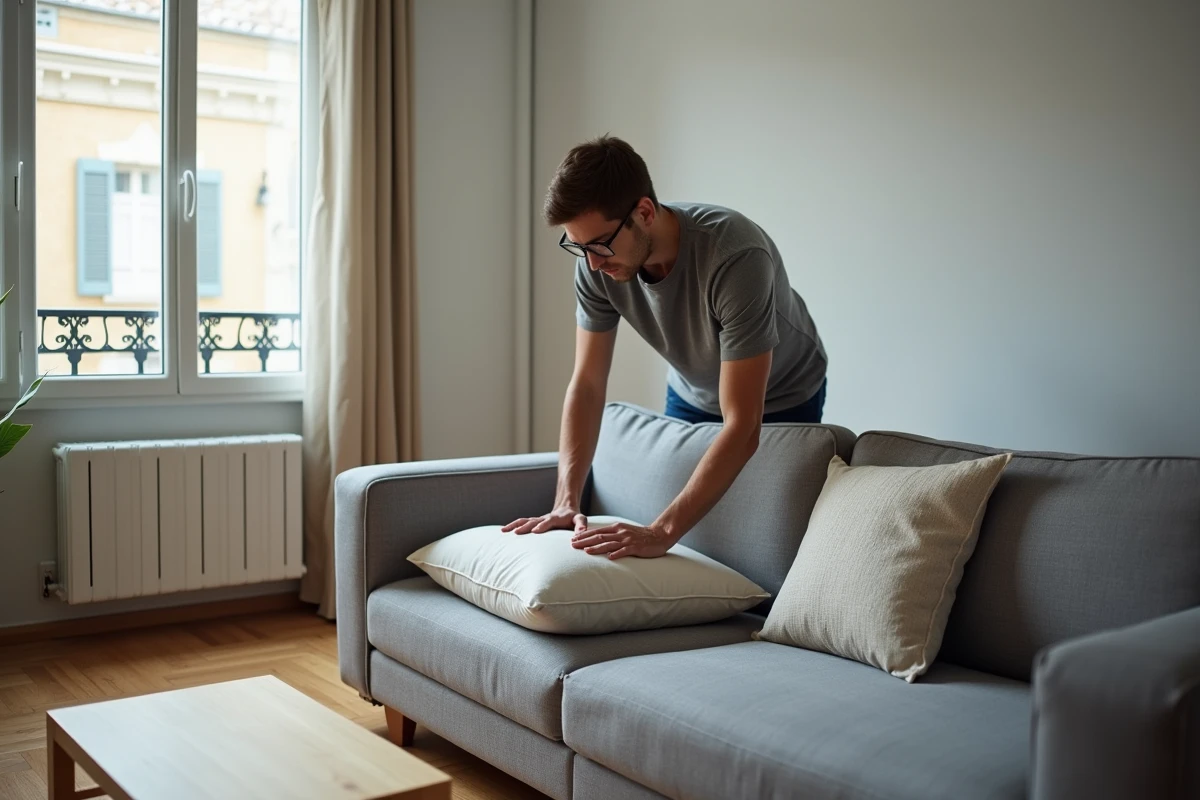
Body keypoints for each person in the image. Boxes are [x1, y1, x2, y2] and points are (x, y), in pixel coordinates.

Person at [502, 135, 827, 559]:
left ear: (645, 212)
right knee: (690, 543)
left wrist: (660, 531)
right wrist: (567, 499)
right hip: (691, 390)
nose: (593, 263)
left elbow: (744, 425)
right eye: (578, 247)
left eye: (599, 244)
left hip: (782, 394)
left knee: (765, 543)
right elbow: (587, 384)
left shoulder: (735, 256)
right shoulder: (595, 264)